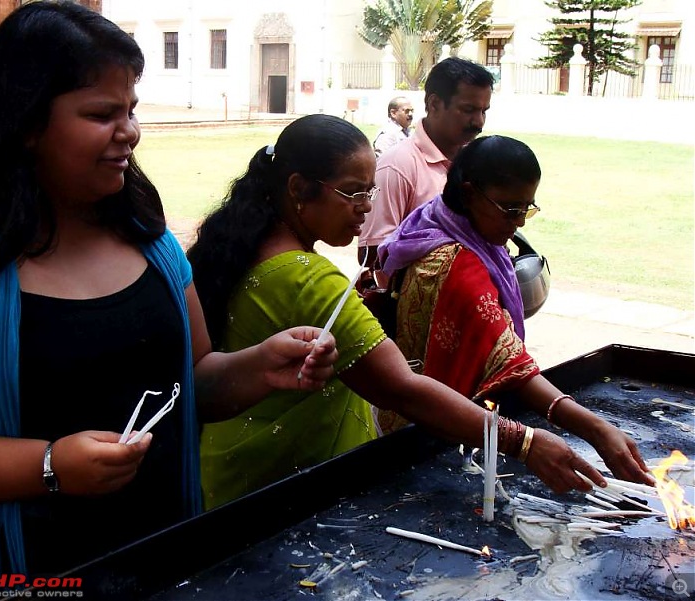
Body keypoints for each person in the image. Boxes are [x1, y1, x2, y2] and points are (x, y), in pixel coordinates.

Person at [0, 1, 338, 586]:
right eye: (102, 113)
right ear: (27, 123)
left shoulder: (151, 244)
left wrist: (261, 367)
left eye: (130, 109)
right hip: (15, 573)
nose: (129, 131)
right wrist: (49, 466)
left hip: (165, 560)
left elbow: (192, 379)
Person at [187, 113, 630, 513]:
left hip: (235, 464)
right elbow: (401, 387)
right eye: (352, 192)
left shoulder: (245, 240)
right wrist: (525, 442)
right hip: (284, 487)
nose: (366, 206)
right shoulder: (308, 277)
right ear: (299, 189)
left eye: (370, 190)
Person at [376, 135, 654, 488]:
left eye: (527, 208)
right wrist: (594, 428)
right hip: (431, 432)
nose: (519, 222)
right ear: (470, 193)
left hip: (418, 419)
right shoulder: (457, 266)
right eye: (510, 209)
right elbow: (510, 364)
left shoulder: (432, 220)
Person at [358, 57, 494, 288]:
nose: (479, 122)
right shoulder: (396, 166)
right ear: (434, 104)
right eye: (468, 110)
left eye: (484, 111)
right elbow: (372, 254)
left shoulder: (477, 162)